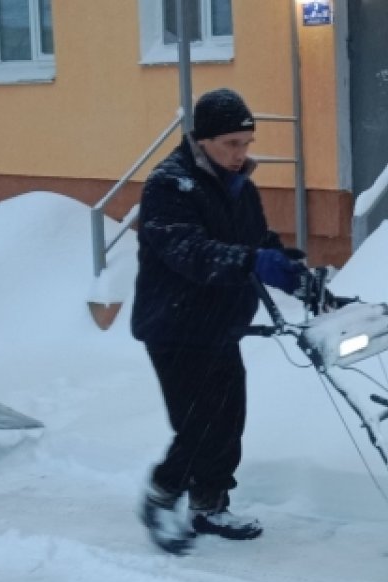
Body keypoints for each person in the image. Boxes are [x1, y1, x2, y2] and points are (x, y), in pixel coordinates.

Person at [131, 88, 310, 555]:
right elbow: (189, 253)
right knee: (198, 423)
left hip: (220, 325)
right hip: (175, 326)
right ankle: (161, 496)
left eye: (246, 144)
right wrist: (254, 262)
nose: (240, 154)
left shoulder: (238, 186)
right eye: (231, 144)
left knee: (229, 420)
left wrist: (295, 274)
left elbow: (258, 241)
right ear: (203, 140)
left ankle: (209, 505)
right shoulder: (169, 186)